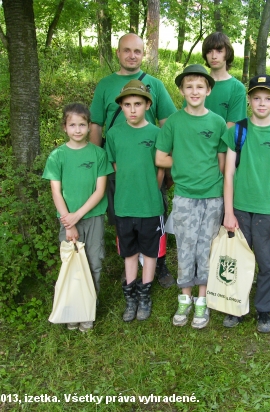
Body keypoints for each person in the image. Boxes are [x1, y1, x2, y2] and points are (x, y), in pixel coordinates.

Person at [89, 32, 177, 288]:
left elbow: (167, 125)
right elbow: (96, 126)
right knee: (121, 216)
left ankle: (158, 264)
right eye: (126, 50)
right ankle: (130, 264)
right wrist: (99, 166)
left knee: (154, 213)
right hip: (118, 162)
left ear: (143, 54)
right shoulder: (105, 85)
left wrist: (167, 164)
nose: (132, 55)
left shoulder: (155, 85)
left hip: (150, 164)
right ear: (118, 53)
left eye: (137, 51)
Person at [222, 75, 270, 333]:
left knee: (267, 263)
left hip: (268, 210)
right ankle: (236, 305)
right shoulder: (238, 130)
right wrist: (229, 211)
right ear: (249, 100)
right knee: (238, 260)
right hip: (241, 209)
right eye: (256, 98)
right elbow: (229, 173)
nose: (262, 103)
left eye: (268, 98)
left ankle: (264, 310)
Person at [155, 64, 227, 329]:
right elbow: (161, 156)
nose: (194, 91)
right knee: (185, 246)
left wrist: (213, 184)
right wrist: (184, 163)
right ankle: (185, 297)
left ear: (208, 89)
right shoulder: (174, 121)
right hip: (185, 197)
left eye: (200, 86)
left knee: (205, 247)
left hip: (212, 197)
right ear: (182, 91)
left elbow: (222, 162)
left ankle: (202, 300)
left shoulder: (217, 122)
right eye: (189, 86)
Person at [42, 103, 113, 332]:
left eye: (82, 125)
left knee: (93, 263)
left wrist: (78, 215)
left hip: (93, 218)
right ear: (64, 127)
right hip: (67, 221)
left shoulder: (98, 154)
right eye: (72, 125)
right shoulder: (57, 156)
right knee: (71, 265)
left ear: (89, 126)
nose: (78, 129)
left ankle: (88, 310)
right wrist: (68, 221)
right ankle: (72, 310)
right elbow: (56, 190)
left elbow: (100, 191)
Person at [105, 80, 165, 322]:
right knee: (129, 252)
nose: (132, 110)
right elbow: (118, 167)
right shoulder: (114, 134)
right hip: (125, 205)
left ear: (147, 105)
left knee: (150, 252)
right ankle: (130, 297)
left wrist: (151, 190)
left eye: (137, 104)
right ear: (121, 106)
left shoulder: (157, 134)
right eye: (127, 105)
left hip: (150, 205)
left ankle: (145, 295)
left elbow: (160, 169)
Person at [193, 32, 247, 126]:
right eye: (209, 51)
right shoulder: (196, 84)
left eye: (219, 51)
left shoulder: (237, 88)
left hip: (223, 140)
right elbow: (187, 116)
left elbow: (232, 127)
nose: (214, 56)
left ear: (227, 53)